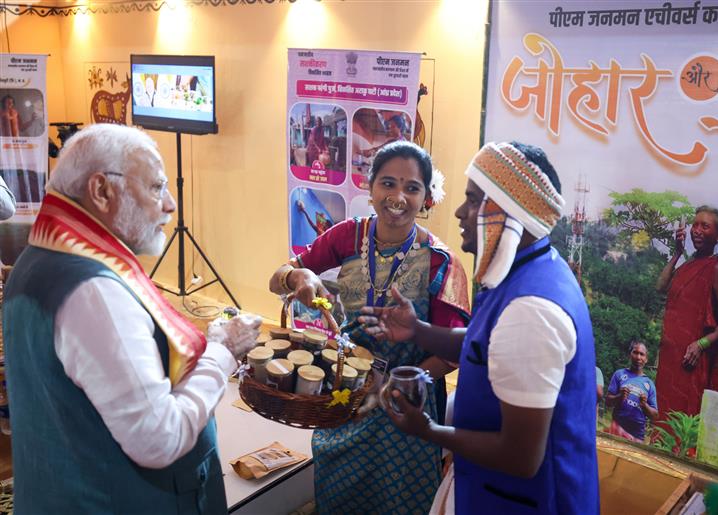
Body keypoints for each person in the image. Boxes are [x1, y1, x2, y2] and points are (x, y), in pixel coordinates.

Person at [3, 123, 260, 514]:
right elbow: (158, 439)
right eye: (157, 187)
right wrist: (222, 353)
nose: (170, 205)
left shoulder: (39, 258)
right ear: (102, 190)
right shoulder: (95, 293)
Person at [360, 141, 599, 514]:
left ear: (506, 212)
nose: (458, 212)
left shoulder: (530, 311)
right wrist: (419, 330)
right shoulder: (525, 269)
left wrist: (428, 430)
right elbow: (482, 345)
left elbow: (521, 457)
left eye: (472, 201)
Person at [269, 141, 470, 515]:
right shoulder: (349, 236)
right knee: (338, 494)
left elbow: (454, 353)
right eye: (388, 183)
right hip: (348, 395)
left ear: (427, 197)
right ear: (370, 186)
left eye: (412, 188)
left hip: (408, 406)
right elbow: (278, 276)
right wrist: (300, 275)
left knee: (401, 502)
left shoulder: (440, 261)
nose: (398, 197)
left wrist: (395, 386)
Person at [656, 206, 718, 419]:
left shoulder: (716, 269)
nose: (697, 230)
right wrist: (678, 252)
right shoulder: (689, 264)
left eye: (705, 226)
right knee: (664, 415)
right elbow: (660, 286)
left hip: (691, 359)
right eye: (695, 225)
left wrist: (701, 344)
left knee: (683, 419)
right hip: (670, 356)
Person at [605, 342, 658, 443]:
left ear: (646, 359)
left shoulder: (649, 384)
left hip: (637, 436)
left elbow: (655, 415)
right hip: (616, 431)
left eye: (642, 354)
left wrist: (645, 405)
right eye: (635, 352)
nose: (638, 357)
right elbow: (607, 402)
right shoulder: (619, 374)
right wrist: (619, 396)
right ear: (630, 355)